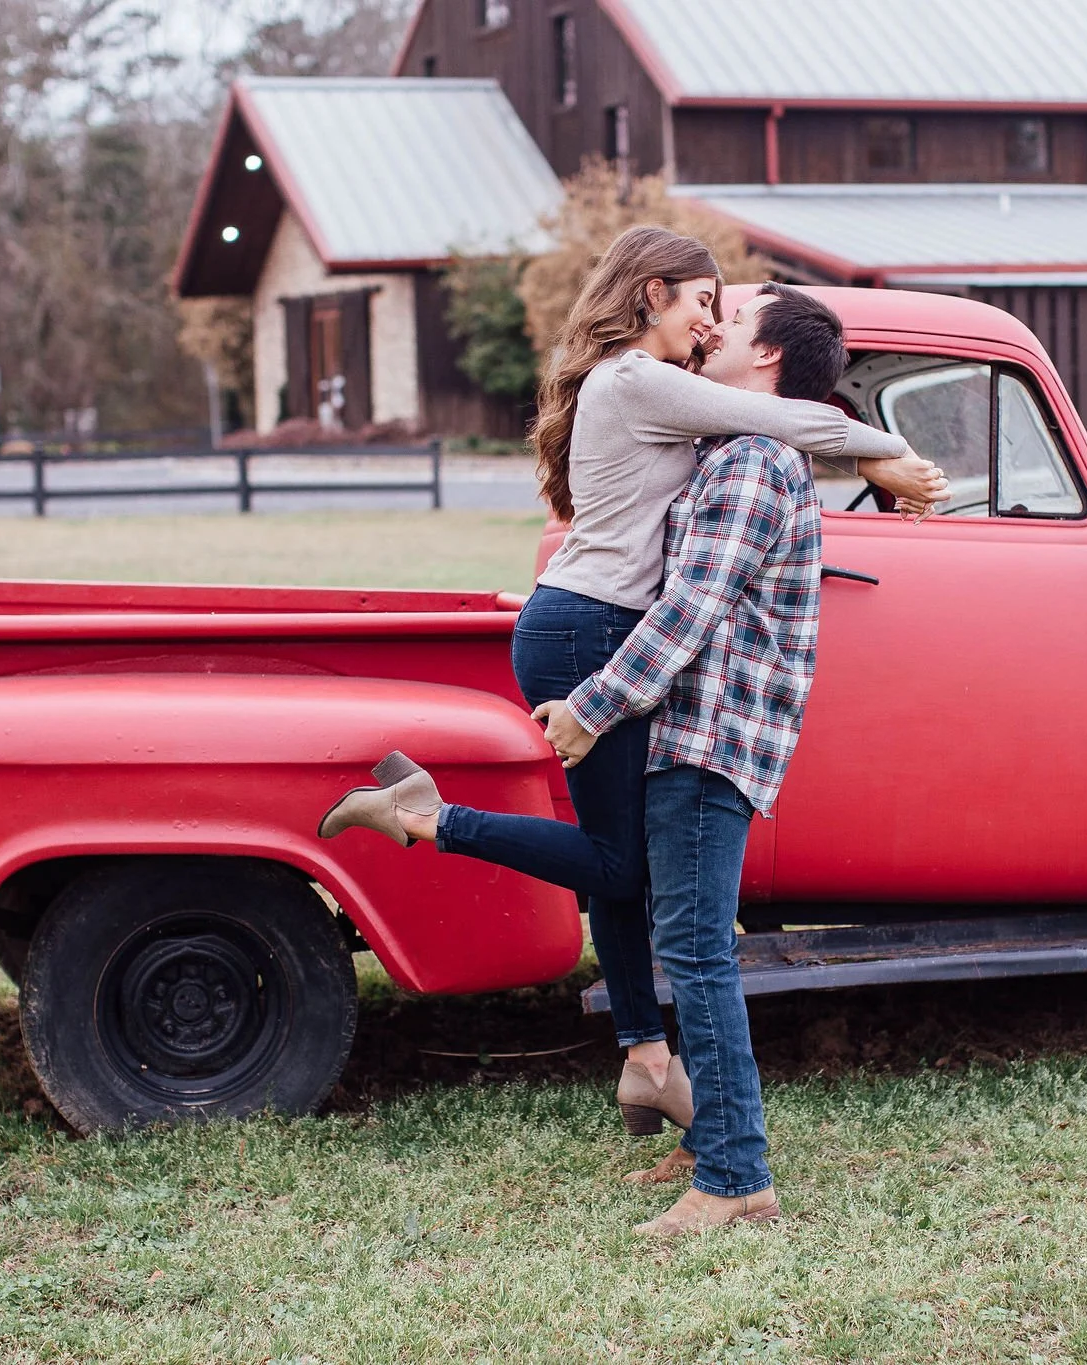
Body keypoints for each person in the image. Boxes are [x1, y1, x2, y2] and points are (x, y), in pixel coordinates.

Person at [320, 227, 946, 1145]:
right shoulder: (639, 379)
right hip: (591, 627)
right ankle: (424, 818)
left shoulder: (648, 389)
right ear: (651, 295)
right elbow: (787, 420)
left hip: (583, 619)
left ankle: (647, 1056)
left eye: (722, 311)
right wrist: (884, 448)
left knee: (621, 864)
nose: (708, 322)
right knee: (624, 865)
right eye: (702, 302)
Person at [534, 282, 852, 1234]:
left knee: (698, 954)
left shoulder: (755, 463)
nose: (712, 327)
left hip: (712, 737)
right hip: (689, 727)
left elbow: (687, 613)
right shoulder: (724, 444)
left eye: (736, 320)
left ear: (767, 361)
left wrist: (592, 707)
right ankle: (709, 1139)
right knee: (690, 946)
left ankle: (735, 1177)